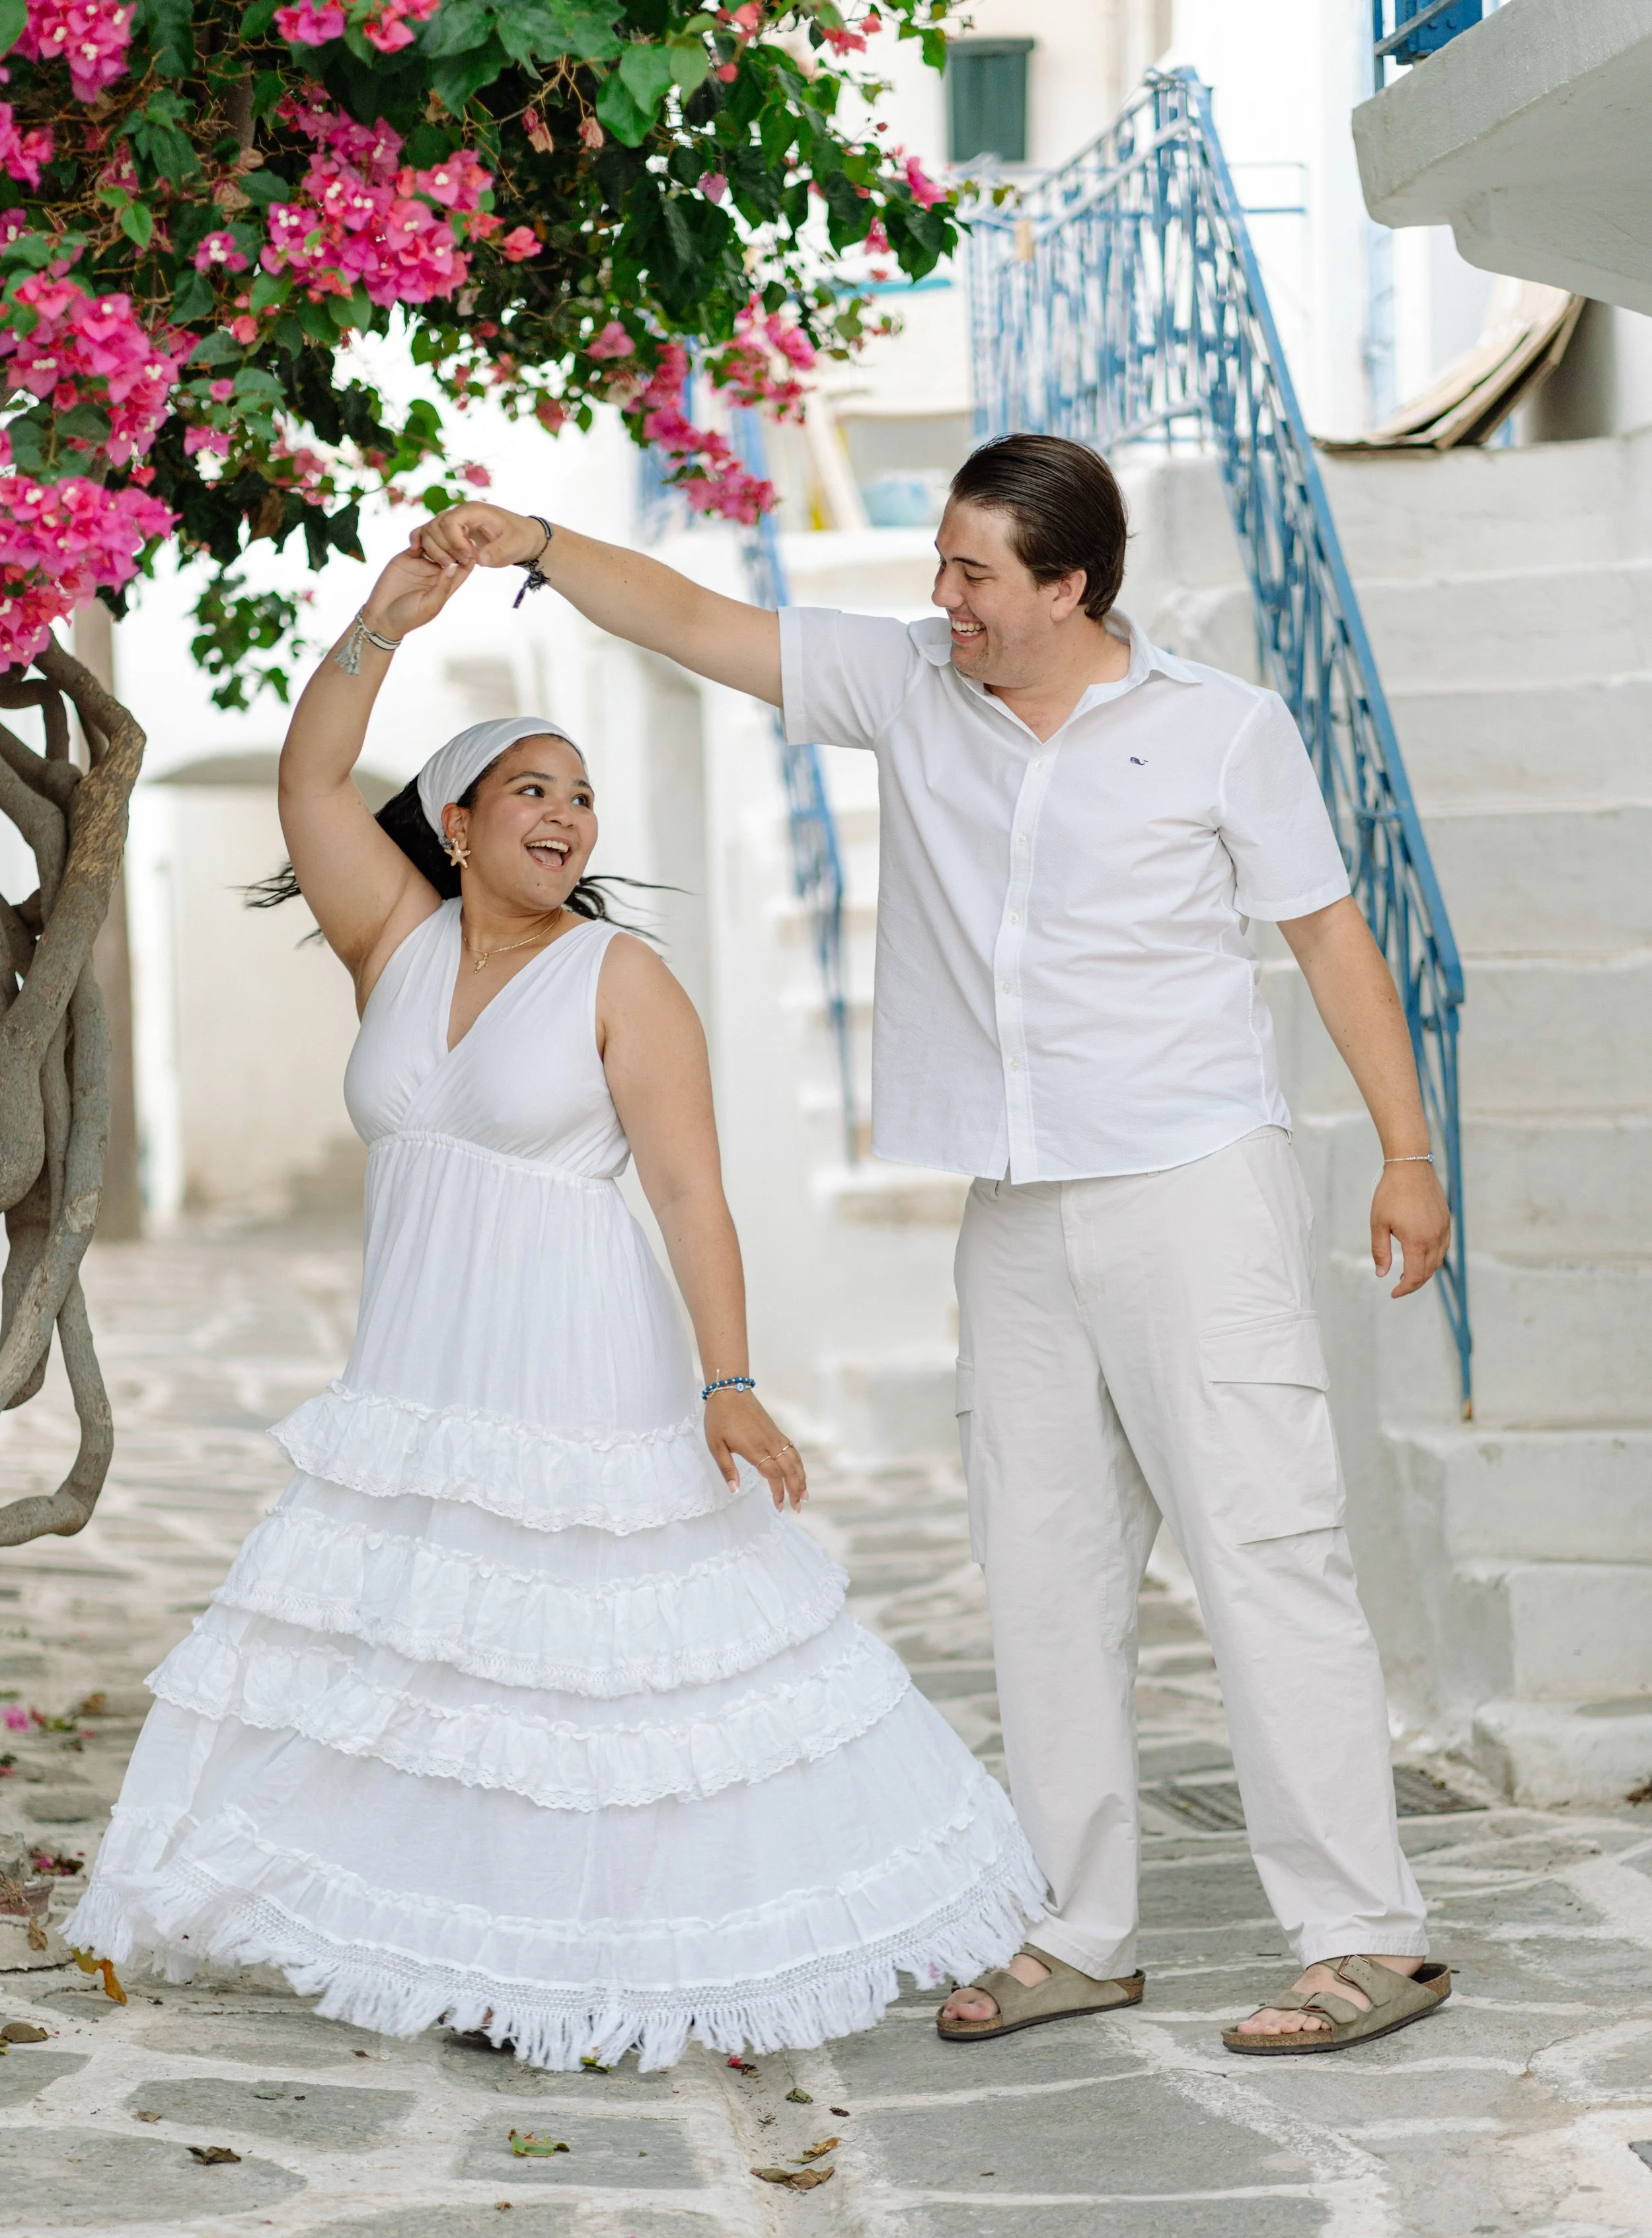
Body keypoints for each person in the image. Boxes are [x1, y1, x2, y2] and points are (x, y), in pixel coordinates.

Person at [406, 431, 1455, 2059]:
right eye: (941, 566)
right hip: (1013, 1205)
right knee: (1041, 1573)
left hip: (1192, 1184)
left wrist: (1402, 1155)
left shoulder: (1220, 731)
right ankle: (1074, 1927)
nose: (938, 597)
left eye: (972, 573)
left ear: (1068, 587)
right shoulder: (907, 686)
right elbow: (694, 620)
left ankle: (1361, 1935)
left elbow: (1326, 935)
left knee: (1261, 1548)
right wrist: (532, 536)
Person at [66, 545, 1044, 2069]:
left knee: (596, 1659)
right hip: (421, 1362)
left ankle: (612, 1950)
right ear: (455, 823)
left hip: (578, 1350)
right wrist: (387, 616)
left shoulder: (619, 976)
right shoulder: (394, 943)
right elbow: (314, 782)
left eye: (579, 796)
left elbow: (687, 1195)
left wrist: (727, 1382)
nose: (564, 816)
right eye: (529, 789)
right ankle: (465, 1947)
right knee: (435, 1658)